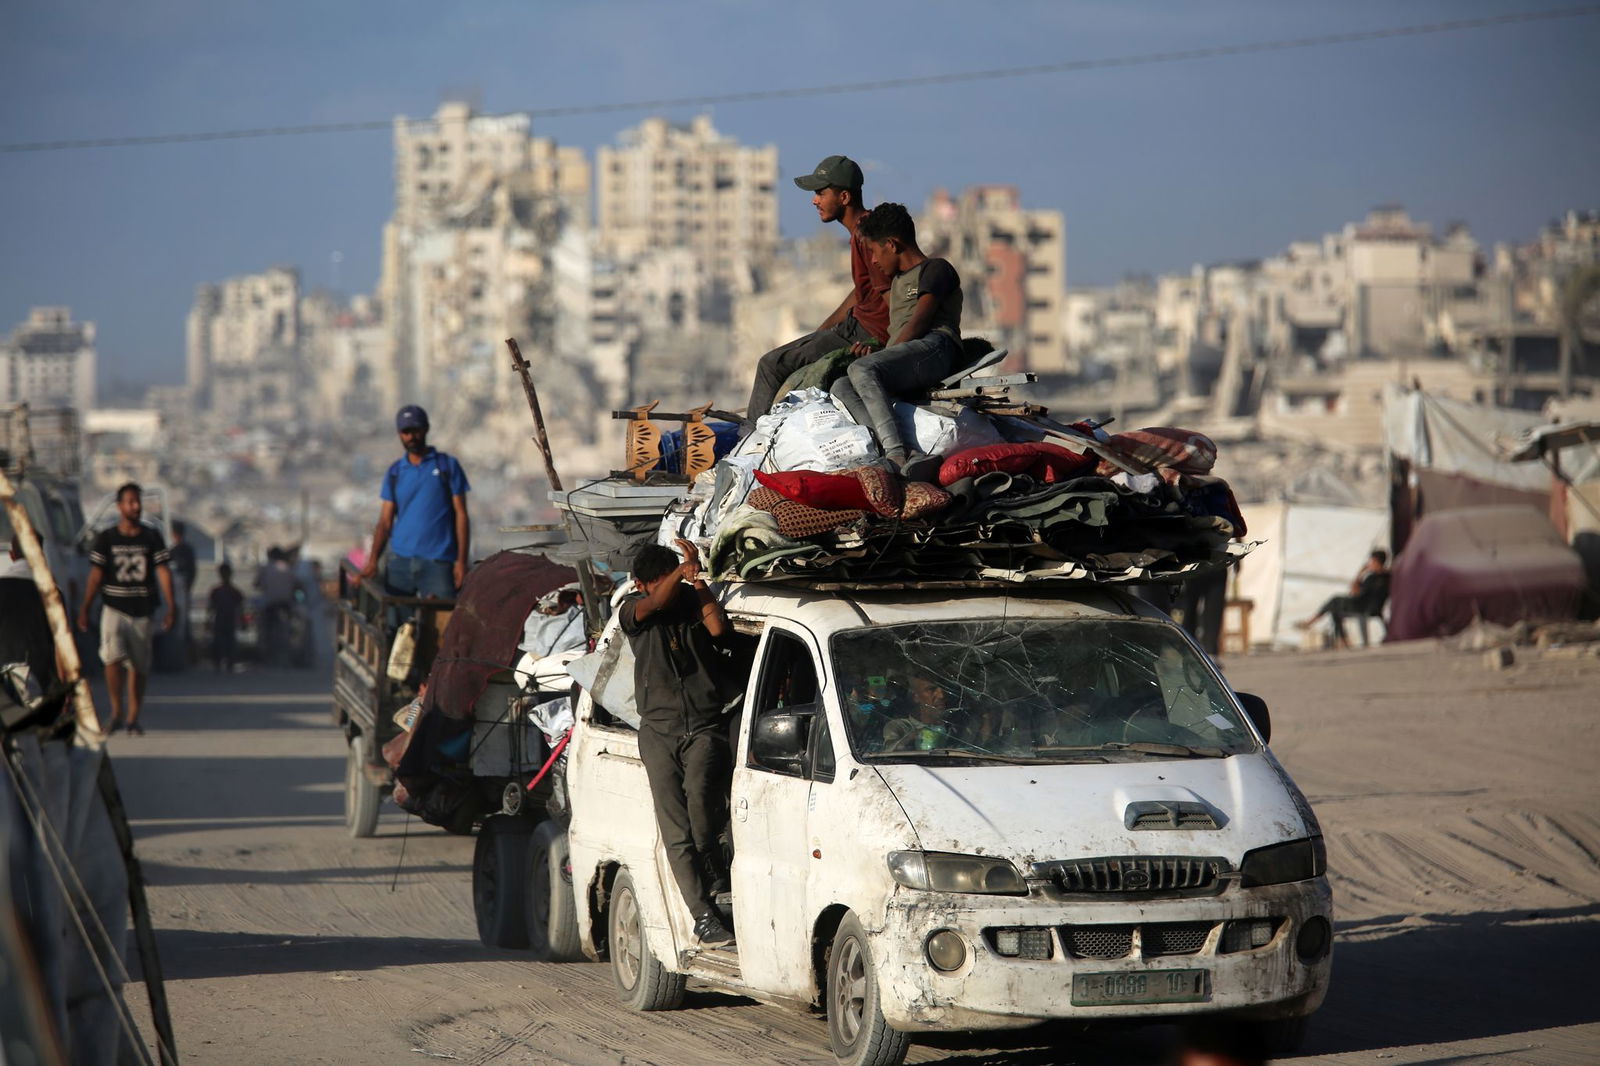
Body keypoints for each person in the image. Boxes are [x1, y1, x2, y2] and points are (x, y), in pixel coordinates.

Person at [619, 539, 741, 947]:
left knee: (702, 808)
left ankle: (712, 867)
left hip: (704, 726)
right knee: (676, 833)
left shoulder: (688, 600)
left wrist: (699, 583)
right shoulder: (634, 612)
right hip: (659, 733)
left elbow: (718, 628)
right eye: (659, 582)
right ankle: (702, 914)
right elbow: (653, 604)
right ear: (640, 585)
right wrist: (680, 573)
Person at [745, 155, 891, 420]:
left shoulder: (867, 234)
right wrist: (822, 331)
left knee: (770, 365)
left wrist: (886, 347)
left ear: (844, 197)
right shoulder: (860, 233)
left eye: (821, 193)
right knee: (794, 355)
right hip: (853, 327)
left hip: (863, 333)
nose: (815, 201)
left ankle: (751, 442)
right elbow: (862, 292)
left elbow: (891, 294)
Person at [830, 203, 963, 480]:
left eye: (876, 252)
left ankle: (895, 454)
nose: (875, 262)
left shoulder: (936, 269)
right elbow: (901, 334)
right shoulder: (899, 282)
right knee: (841, 385)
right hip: (910, 349)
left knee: (862, 370)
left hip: (936, 348)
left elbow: (919, 322)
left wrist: (881, 358)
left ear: (891, 244)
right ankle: (902, 451)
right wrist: (878, 352)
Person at [77, 483, 174, 735]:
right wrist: (85, 607)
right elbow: (96, 575)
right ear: (120, 506)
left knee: (139, 667)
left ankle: (133, 716)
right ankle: (116, 710)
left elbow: (163, 571)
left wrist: (172, 605)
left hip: (143, 610)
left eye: (138, 501)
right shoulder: (107, 538)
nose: (136, 506)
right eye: (130, 502)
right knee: (112, 659)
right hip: (113, 608)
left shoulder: (151, 537)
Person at [359, 405, 471, 599]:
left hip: (439, 562)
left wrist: (461, 561)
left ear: (426, 429)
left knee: (442, 624)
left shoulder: (447, 466)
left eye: (415, 430)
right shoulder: (395, 472)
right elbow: (385, 522)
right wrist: (372, 561)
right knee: (397, 626)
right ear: (400, 434)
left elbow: (461, 515)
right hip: (400, 562)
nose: (411, 437)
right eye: (406, 432)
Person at [1297, 549, 1390, 648]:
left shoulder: (1371, 578)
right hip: (1375, 608)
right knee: (1335, 610)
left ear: (1376, 561)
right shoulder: (1388, 576)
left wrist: (1360, 573)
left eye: (1371, 561)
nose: (1369, 564)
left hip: (1363, 607)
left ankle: (1312, 622)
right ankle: (1342, 640)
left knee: (1335, 600)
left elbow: (1355, 592)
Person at [207, 562, 244, 672]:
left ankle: (223, 663)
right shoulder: (233, 591)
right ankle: (226, 663)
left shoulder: (218, 591)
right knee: (226, 642)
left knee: (223, 642)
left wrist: (208, 621)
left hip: (223, 619)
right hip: (226, 619)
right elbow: (240, 608)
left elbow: (211, 608)